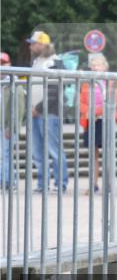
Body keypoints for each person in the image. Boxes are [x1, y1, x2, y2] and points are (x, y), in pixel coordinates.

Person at [27, 31, 68, 193]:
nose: (30, 46)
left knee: (54, 149)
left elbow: (54, 90)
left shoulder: (54, 61)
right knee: (38, 152)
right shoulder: (37, 61)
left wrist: (37, 108)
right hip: (35, 113)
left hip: (49, 113)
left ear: (42, 44)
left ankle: (60, 184)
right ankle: (42, 184)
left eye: (33, 43)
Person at [79, 54, 117, 195]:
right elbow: (81, 102)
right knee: (93, 154)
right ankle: (93, 184)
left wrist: (95, 111)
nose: (96, 67)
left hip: (104, 120)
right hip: (91, 121)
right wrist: (88, 112)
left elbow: (112, 101)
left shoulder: (110, 82)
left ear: (105, 66)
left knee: (107, 154)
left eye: (99, 64)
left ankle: (108, 184)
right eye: (93, 65)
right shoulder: (86, 83)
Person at [1, 51, 24, 191]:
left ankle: (10, 181)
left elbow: (18, 109)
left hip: (7, 126)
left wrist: (12, 127)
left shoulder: (15, 85)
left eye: (3, 63)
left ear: (9, 64)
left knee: (6, 154)